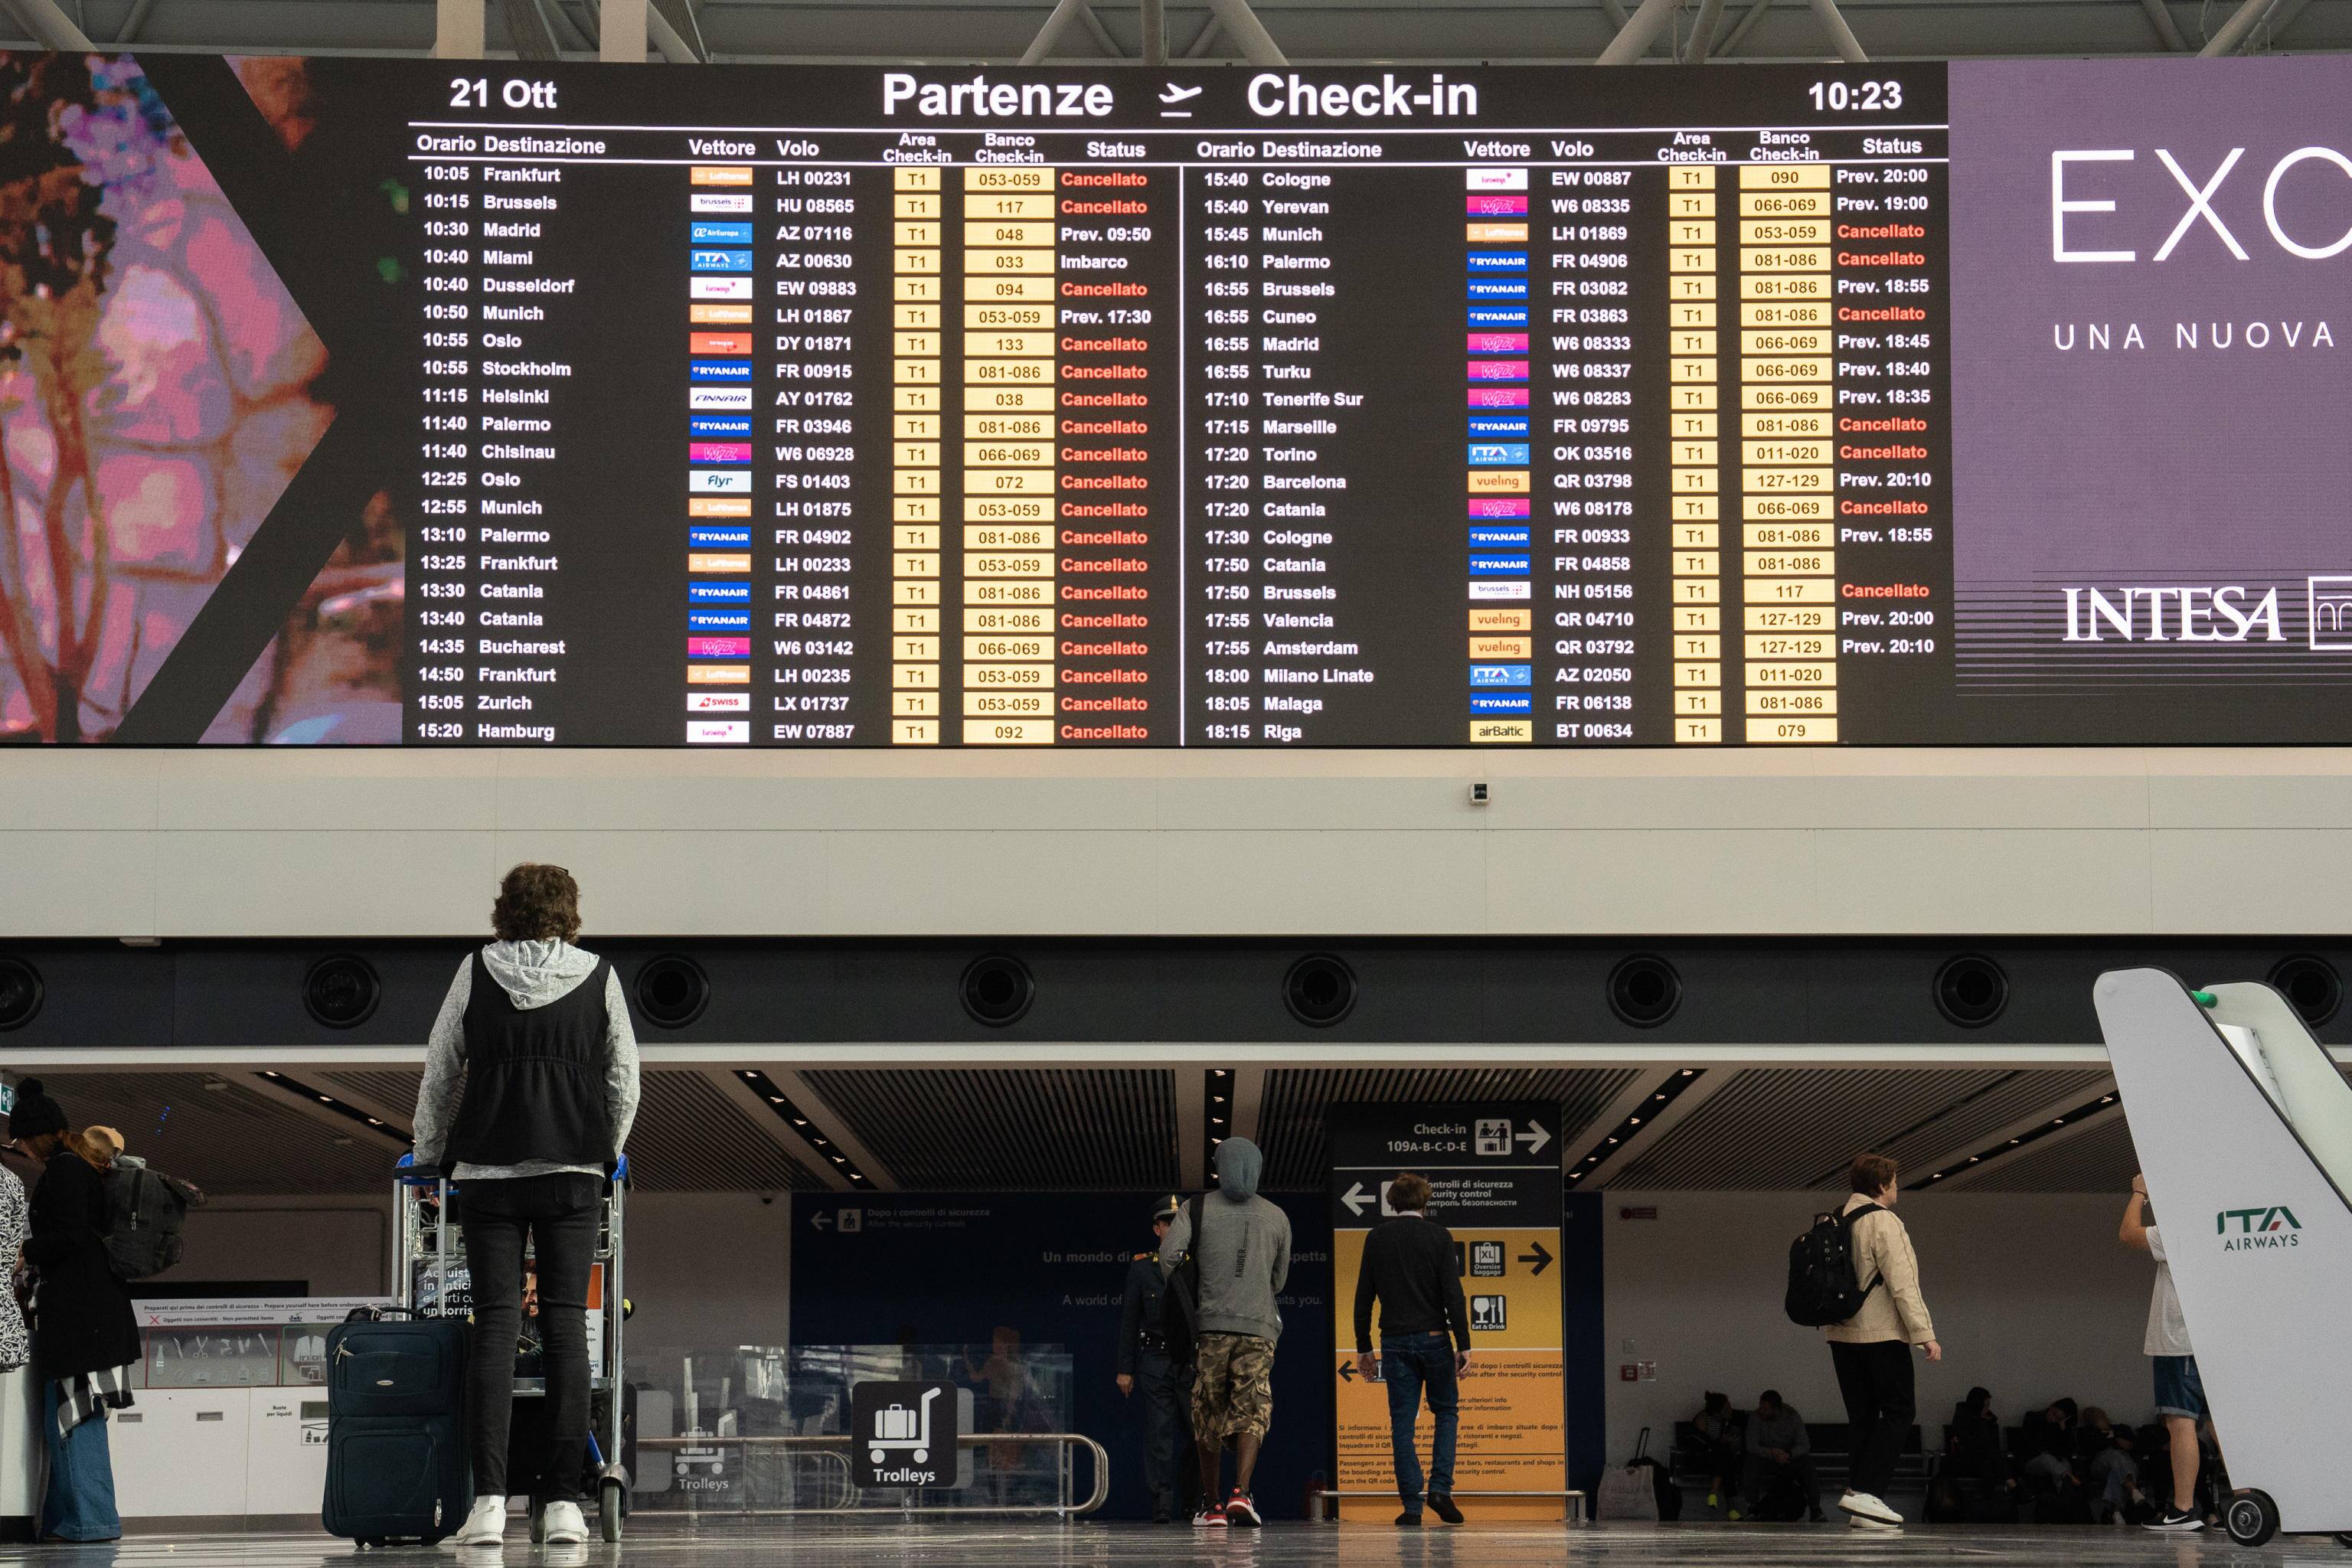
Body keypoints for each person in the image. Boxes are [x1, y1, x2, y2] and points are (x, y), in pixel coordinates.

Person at [413, 864, 642, 1550]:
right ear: (570, 911)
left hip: (486, 1168)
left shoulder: (474, 972)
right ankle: (566, 1502)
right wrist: (605, 1150)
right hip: (572, 1168)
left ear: (503, 911)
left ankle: (488, 1504)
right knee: (568, 1327)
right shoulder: (600, 975)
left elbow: (441, 1066)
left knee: (494, 1327)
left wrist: (428, 1151)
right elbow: (624, 1078)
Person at [15, 1082, 137, 1543]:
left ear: (36, 1137)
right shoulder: (82, 1167)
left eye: (23, 1140)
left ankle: (90, 1520)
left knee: (75, 1417)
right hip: (91, 1315)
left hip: (81, 1319)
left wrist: (27, 1250)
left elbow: (71, 1234)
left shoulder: (65, 1171)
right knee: (69, 1416)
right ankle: (68, 1520)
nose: (21, 1148)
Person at [1161, 1136, 1289, 1529]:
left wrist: (1191, 1294)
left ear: (1219, 1167)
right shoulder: (1278, 1216)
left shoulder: (1194, 1208)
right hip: (1260, 1329)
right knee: (1253, 1406)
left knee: (1208, 1412)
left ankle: (1212, 1504)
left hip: (1210, 1327)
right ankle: (1242, 1493)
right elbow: (1279, 1280)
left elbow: (1169, 1258)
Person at [1822, 1152, 1940, 1534]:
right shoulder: (1884, 1222)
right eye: (1893, 1182)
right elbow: (1903, 1283)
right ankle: (1868, 1492)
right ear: (1880, 1186)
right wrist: (1925, 1334)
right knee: (1899, 1410)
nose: (1896, 1188)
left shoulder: (1836, 1218)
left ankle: (1860, 1499)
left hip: (1839, 1333)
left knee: (1862, 1417)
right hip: (1881, 1334)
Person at [1351, 1172, 1470, 1527]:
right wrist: (1464, 1344)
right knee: (1446, 1413)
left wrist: (1364, 1348)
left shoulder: (1377, 1237)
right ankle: (1440, 1490)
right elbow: (1453, 1294)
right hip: (1435, 1338)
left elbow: (1363, 1298)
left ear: (1392, 1202)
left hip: (1395, 1342)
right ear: (1425, 1201)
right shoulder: (1439, 1236)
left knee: (1402, 1423)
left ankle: (1412, 1507)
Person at [2122, 1171, 2221, 1531]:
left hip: (2179, 1340)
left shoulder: (2183, 1229)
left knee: (2181, 1422)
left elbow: (2128, 1233)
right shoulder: (2223, 1227)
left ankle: (2182, 1510)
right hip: (2215, 1339)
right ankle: (2243, 1500)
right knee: (2219, 1424)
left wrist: (2139, 1193)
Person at [1118, 1195, 1191, 1524]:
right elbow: (1130, 1320)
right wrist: (1125, 1369)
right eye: (1168, 1223)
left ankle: (1196, 1500)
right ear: (1157, 1229)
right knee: (1159, 1434)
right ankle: (1162, 1501)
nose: (1174, 1228)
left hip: (1191, 1360)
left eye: (1179, 1223)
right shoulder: (1141, 1266)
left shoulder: (1197, 1263)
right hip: (1155, 1360)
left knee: (1198, 1433)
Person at [1741, 1389, 1825, 1523]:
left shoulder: (1792, 1417)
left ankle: (1815, 1508)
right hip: (1766, 1457)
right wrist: (1772, 1453)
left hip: (1788, 1457)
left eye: (1766, 1409)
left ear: (1776, 1409)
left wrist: (1789, 1454)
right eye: (1761, 1407)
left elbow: (1804, 1445)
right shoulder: (1756, 1417)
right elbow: (1751, 1445)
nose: (1762, 1411)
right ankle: (1752, 1508)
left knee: (1808, 1465)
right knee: (1750, 1464)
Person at [1690, 1391, 1743, 1517]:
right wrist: (1720, 1441)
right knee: (1724, 1457)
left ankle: (1713, 1493)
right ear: (1717, 1413)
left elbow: (1746, 1417)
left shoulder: (1728, 1420)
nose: (1730, 1410)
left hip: (1720, 1458)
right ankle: (1731, 1508)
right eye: (1726, 1409)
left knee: (1725, 1457)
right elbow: (1702, 1444)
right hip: (1704, 1457)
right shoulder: (1703, 1419)